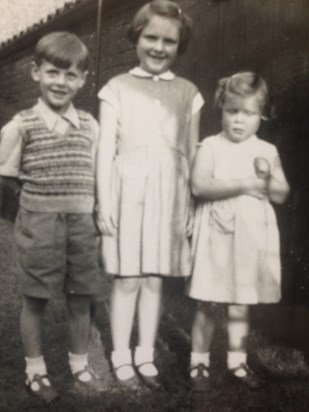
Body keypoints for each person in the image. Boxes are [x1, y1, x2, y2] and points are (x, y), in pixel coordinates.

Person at [96, 0, 203, 390]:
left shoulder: (189, 93)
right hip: (128, 193)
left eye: (169, 41)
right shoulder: (116, 89)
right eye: (151, 37)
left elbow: (193, 154)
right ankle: (121, 355)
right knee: (128, 278)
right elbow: (105, 150)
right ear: (136, 38)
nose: (159, 47)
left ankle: (145, 352)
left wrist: (192, 203)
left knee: (155, 279)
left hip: (170, 195)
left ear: (180, 45)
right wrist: (104, 202)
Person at [0, 32, 105, 402]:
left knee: (81, 297)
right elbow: (7, 175)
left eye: (71, 75)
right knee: (35, 298)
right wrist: (35, 207)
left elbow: (98, 173)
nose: (61, 82)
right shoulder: (21, 125)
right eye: (52, 72)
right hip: (39, 222)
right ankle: (35, 370)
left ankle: (79, 364)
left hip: (82, 224)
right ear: (35, 73)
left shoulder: (91, 126)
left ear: (83, 79)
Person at [187, 72, 290, 391]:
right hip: (216, 235)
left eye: (248, 113)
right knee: (206, 301)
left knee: (240, 302)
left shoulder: (267, 151)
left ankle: (237, 361)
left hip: (249, 238)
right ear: (221, 110)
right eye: (232, 111)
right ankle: (199, 361)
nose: (238, 121)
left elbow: (282, 193)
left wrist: (268, 179)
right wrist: (246, 183)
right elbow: (200, 185)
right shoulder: (211, 146)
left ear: (261, 114)